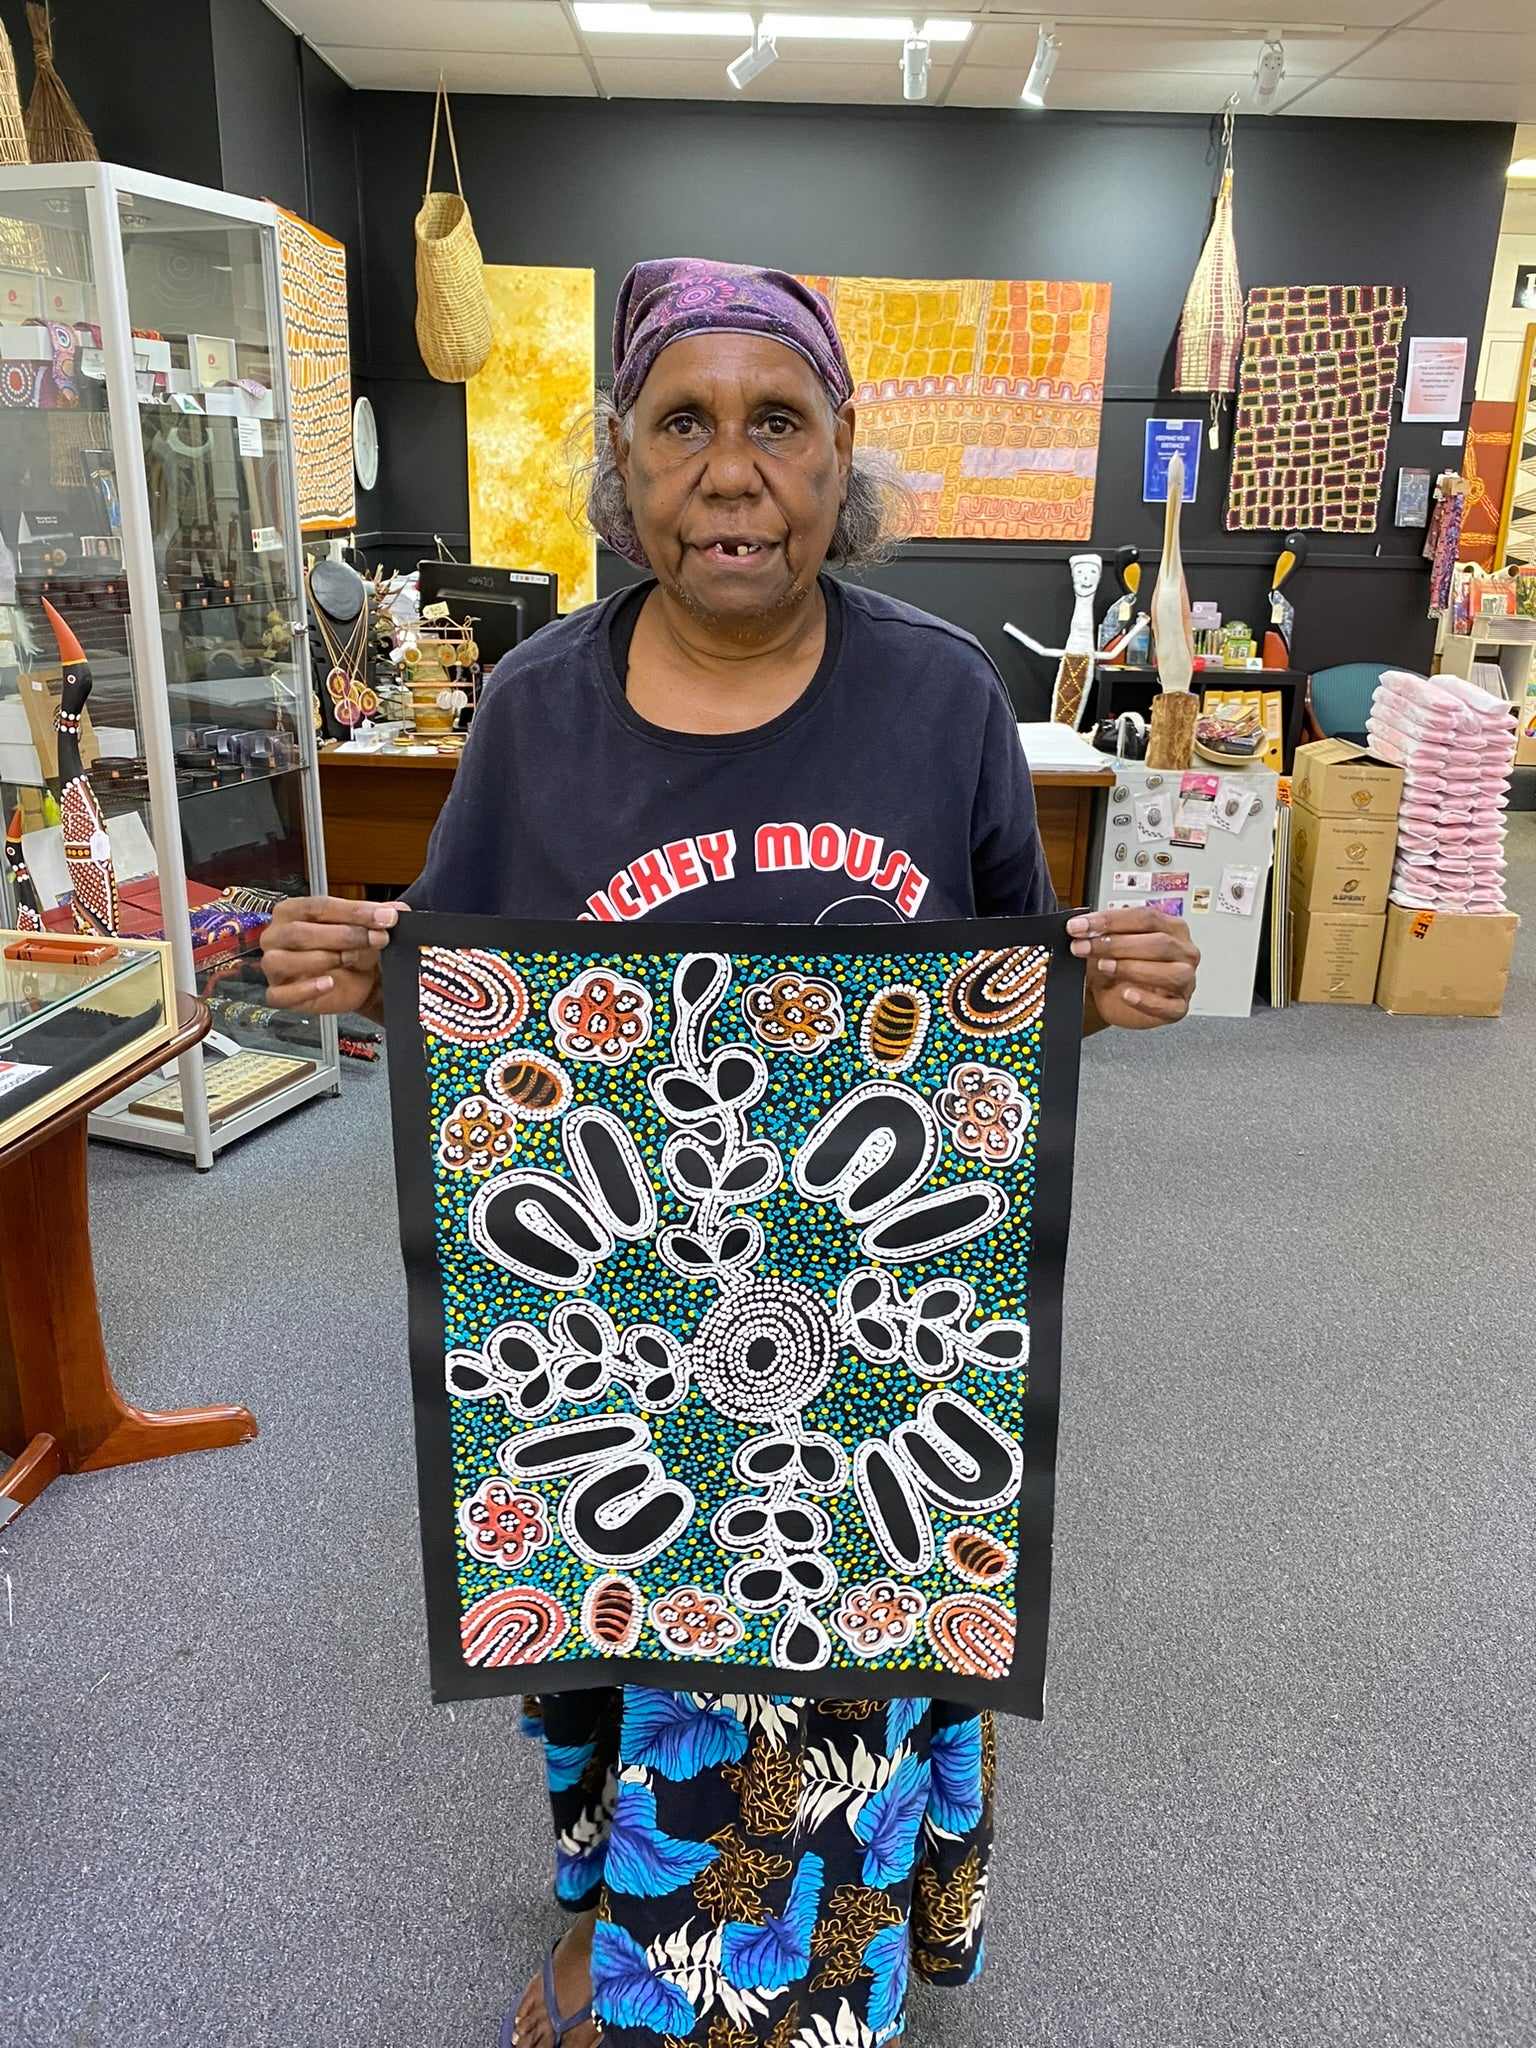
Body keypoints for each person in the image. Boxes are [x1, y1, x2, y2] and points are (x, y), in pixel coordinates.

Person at [263, 259, 1200, 2048]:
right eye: (681, 423)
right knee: (622, 1651)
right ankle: (614, 1921)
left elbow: (1005, 1005)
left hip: (867, 1338)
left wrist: (1106, 989)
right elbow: (463, 993)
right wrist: (356, 963)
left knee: (807, 1733)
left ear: (844, 452)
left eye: (778, 421)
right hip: (614, 1314)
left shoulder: (938, 702)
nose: (731, 470)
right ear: (622, 463)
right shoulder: (539, 710)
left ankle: (757, 1987)